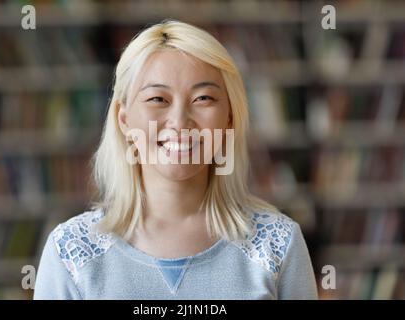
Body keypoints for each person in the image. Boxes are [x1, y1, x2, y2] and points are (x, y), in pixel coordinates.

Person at [33, 20, 318, 300]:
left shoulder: (278, 244)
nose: (180, 122)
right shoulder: (70, 251)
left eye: (203, 98)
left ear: (229, 118)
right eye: (158, 99)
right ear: (124, 119)